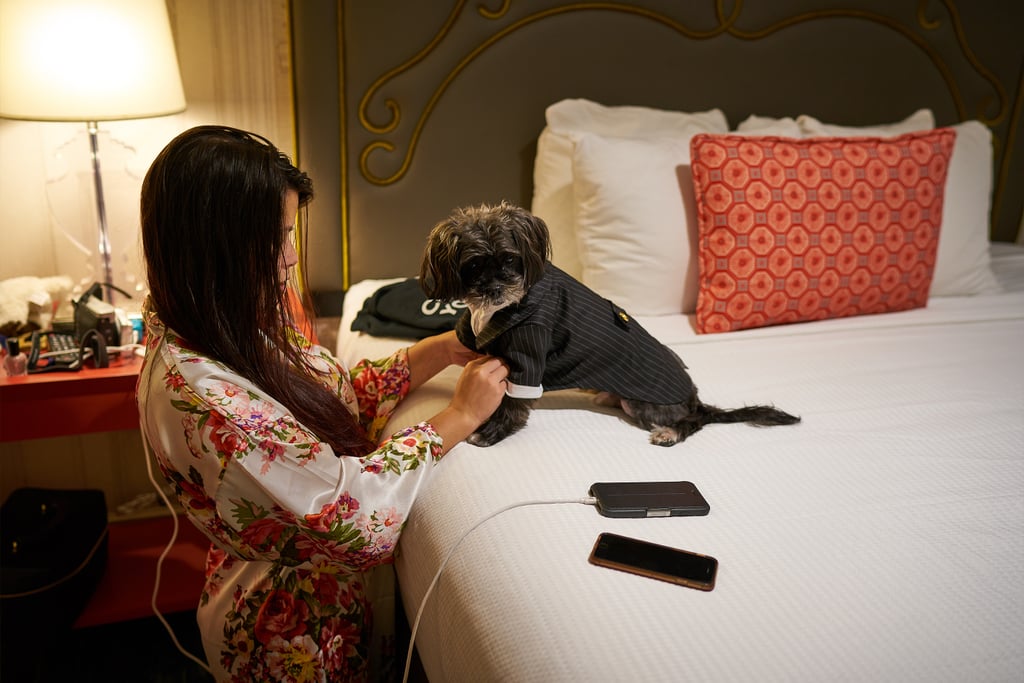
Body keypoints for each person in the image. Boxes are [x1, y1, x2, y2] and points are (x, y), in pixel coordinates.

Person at [136, 125, 509, 682]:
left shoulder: (216, 323)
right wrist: (456, 418)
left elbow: (324, 406)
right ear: (218, 246)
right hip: (288, 643)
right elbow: (352, 516)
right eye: (278, 238)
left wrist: (433, 353)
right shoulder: (210, 402)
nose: (290, 258)